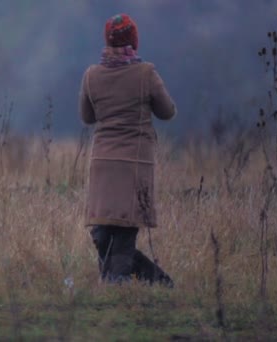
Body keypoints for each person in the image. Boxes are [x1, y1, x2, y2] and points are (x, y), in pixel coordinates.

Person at [79, 13, 176, 286]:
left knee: (104, 227)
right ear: (134, 41)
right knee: (123, 229)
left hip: (103, 162)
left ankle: (120, 281)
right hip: (135, 162)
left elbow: (87, 118)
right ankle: (131, 282)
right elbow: (167, 112)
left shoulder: (91, 75)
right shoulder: (146, 73)